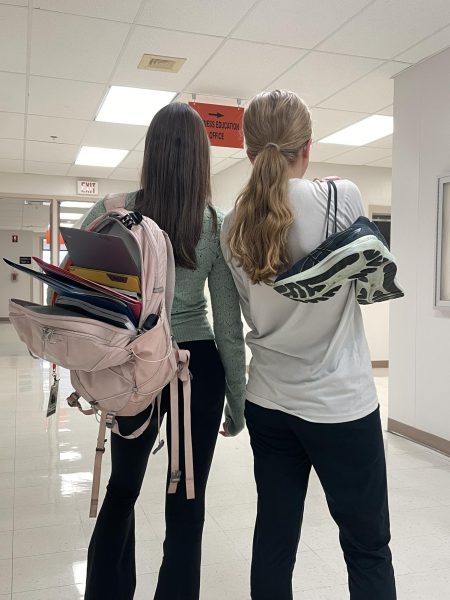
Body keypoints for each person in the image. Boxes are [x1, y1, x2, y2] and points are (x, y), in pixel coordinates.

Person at [221, 90, 396, 600]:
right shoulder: (342, 196)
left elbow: (247, 312)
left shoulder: (233, 225)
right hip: (342, 404)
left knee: (274, 538)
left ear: (248, 151)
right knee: (366, 546)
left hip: (270, 402)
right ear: (307, 147)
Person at [81, 102, 246, 600]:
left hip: (132, 364)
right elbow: (227, 324)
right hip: (197, 369)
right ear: (201, 159)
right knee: (188, 497)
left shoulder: (110, 210)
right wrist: (237, 401)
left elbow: (83, 297)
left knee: (122, 489)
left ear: (150, 152)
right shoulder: (212, 223)